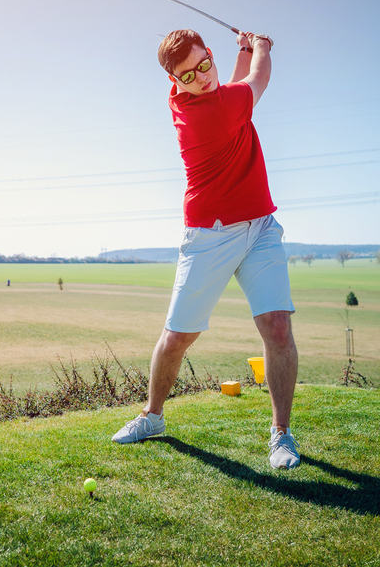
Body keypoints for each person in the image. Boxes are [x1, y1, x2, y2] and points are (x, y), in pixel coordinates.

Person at [111, 28, 301, 469]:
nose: (201, 77)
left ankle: (282, 435)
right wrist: (263, 47)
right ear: (174, 83)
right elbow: (257, 81)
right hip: (209, 236)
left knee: (277, 328)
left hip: (261, 228)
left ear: (210, 55)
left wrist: (240, 49)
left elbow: (230, 84)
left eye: (204, 64)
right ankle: (152, 416)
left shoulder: (204, 95)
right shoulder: (206, 112)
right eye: (188, 75)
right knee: (178, 336)